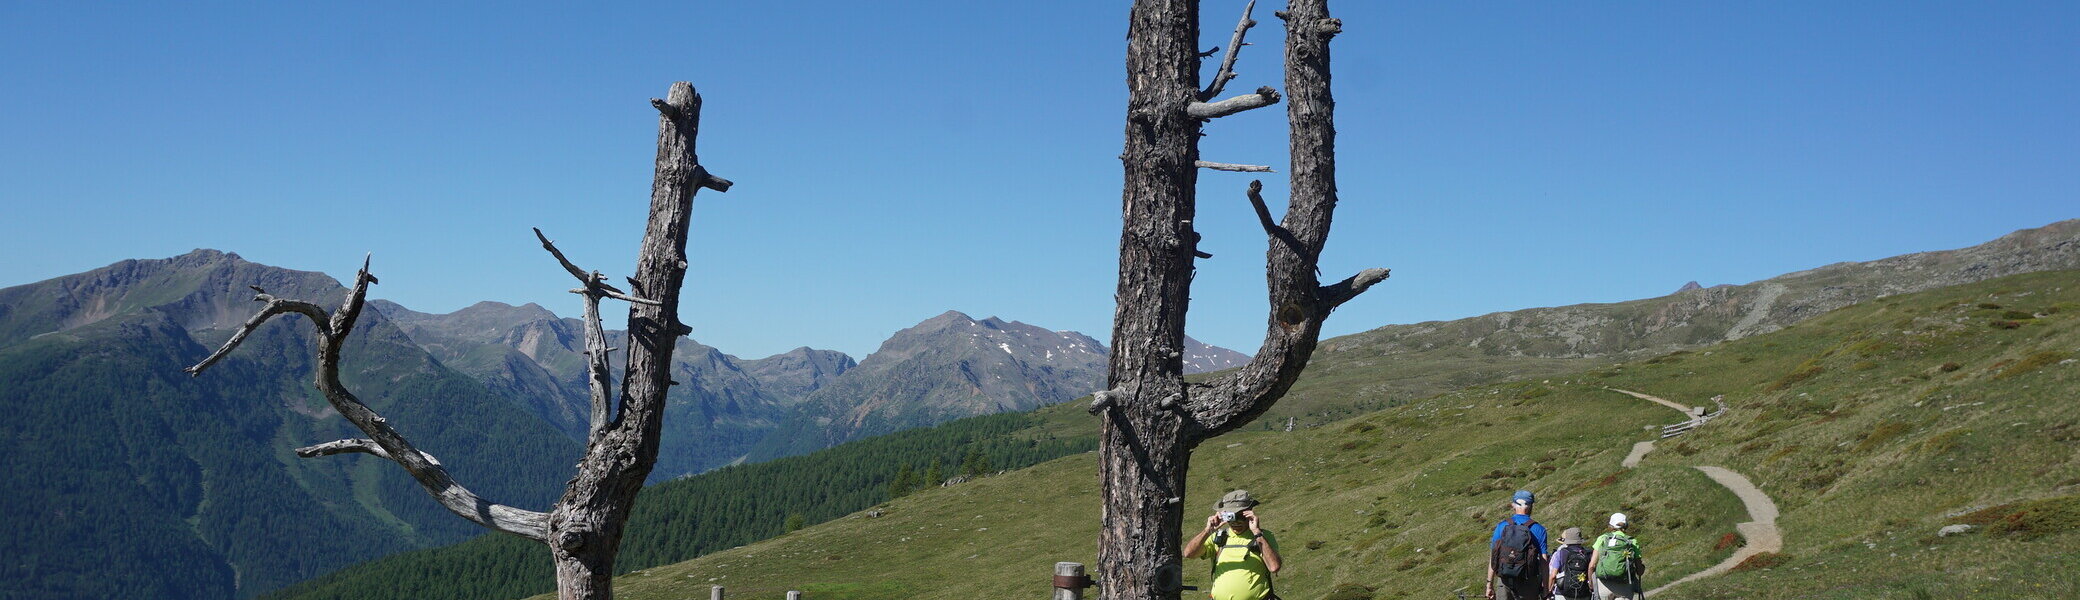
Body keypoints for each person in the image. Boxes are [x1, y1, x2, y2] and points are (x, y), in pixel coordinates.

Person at [1184, 489, 1283, 600]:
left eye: (1240, 516)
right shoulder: (1219, 537)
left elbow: (1274, 567)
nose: (1235, 522)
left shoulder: (1263, 536)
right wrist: (1207, 531)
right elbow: (1189, 554)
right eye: (1231, 517)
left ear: (1249, 512)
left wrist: (1256, 532)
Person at [1485, 490, 1549, 600]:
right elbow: (1544, 561)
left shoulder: (1502, 526)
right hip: (1528, 582)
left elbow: (1494, 557)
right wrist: (1546, 587)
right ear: (1531, 506)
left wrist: (1489, 585)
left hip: (1504, 581)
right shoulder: (1539, 529)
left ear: (1513, 505)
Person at [1589, 512, 1646, 600]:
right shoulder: (1632, 541)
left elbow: (1592, 566)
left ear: (1611, 525)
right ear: (1626, 525)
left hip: (1603, 586)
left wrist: (1591, 583)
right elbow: (1639, 571)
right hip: (1624, 586)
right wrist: (1642, 567)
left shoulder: (1602, 538)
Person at [1547, 527, 1594, 599]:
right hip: (1583, 592)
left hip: (1562, 593)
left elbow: (1553, 575)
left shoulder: (1560, 553)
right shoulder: (1588, 553)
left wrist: (1549, 590)